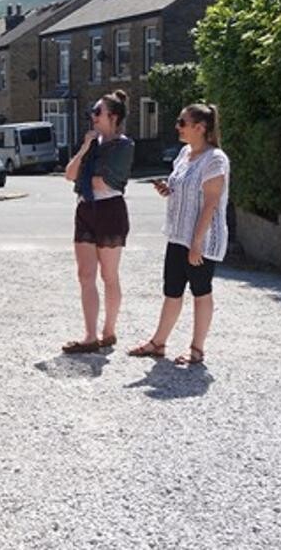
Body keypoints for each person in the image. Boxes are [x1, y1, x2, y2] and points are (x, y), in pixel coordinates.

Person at [128, 103, 229, 365]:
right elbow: (181, 188)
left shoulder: (215, 159)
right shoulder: (184, 154)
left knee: (201, 291)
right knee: (171, 290)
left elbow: (211, 203)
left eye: (182, 122)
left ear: (200, 127)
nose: (177, 127)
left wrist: (197, 243)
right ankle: (158, 343)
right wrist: (167, 190)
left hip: (201, 239)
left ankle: (197, 350)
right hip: (177, 235)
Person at [61, 90, 135, 353]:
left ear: (113, 117)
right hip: (86, 209)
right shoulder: (92, 145)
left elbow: (103, 181)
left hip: (110, 210)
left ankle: (109, 330)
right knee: (85, 275)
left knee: (109, 275)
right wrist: (83, 149)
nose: (92, 116)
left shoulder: (124, 146)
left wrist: (82, 176)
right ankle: (90, 335)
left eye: (97, 112)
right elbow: (70, 174)